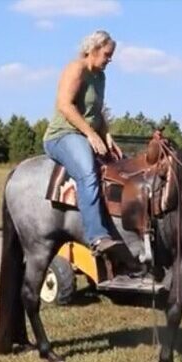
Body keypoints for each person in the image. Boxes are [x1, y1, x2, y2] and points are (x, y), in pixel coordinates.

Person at [43, 30, 124, 255]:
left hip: (88, 132)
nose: (110, 59)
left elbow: (97, 111)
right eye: (107, 54)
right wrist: (91, 134)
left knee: (123, 168)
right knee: (88, 172)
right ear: (94, 50)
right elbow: (65, 105)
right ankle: (96, 236)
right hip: (63, 135)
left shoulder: (100, 76)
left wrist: (107, 136)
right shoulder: (76, 69)